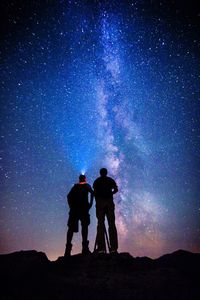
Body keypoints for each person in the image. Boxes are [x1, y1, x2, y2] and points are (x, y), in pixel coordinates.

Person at [64, 174, 93, 256]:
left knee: (71, 228)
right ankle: (84, 249)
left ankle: (68, 250)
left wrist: (71, 206)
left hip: (75, 210)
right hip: (83, 209)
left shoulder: (75, 186)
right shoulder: (86, 185)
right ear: (85, 179)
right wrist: (90, 204)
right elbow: (92, 193)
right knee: (84, 227)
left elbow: (68, 196)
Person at [93, 168, 118, 253]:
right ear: (106, 173)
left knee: (100, 225)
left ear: (100, 173)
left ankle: (101, 248)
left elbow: (94, 193)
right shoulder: (110, 180)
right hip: (109, 203)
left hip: (100, 204)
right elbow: (116, 189)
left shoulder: (96, 181)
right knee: (111, 224)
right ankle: (113, 248)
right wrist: (110, 193)